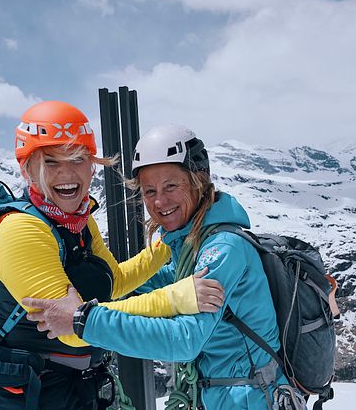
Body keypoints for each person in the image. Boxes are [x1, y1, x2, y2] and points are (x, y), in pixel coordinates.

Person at [24, 125, 304, 409]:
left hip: (251, 398)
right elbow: (150, 289)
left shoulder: (222, 250)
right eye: (149, 191)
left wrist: (83, 321)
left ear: (199, 180)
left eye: (171, 186)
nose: (159, 201)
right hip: (225, 396)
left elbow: (185, 340)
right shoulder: (190, 247)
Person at [0, 102, 225, 410]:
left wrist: (172, 233)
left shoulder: (79, 220)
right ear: (27, 168)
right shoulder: (21, 232)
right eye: (52, 162)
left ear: (92, 165)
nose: (67, 174)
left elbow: (115, 282)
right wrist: (175, 299)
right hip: (33, 397)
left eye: (78, 159)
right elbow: (74, 329)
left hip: (81, 389)